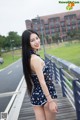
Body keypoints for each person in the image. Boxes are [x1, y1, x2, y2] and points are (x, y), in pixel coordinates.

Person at [22, 29, 58, 120]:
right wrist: (50, 101)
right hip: (46, 95)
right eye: (32, 40)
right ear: (27, 43)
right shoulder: (35, 59)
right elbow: (42, 82)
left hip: (36, 95)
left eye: (37, 38)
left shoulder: (29, 58)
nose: (36, 41)